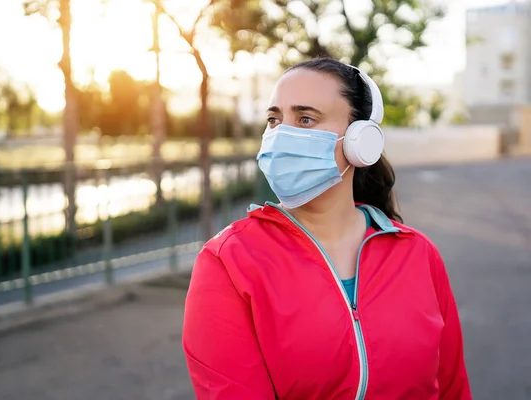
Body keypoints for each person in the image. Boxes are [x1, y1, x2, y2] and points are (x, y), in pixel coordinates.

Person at [182, 57, 472, 400]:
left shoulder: (418, 253)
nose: (281, 135)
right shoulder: (227, 262)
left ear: (361, 140)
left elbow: (453, 389)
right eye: (274, 120)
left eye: (305, 119)